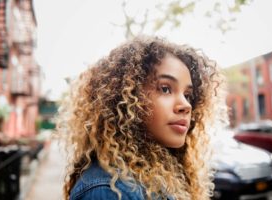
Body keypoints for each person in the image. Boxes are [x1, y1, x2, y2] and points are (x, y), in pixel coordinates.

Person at [56, 36, 228, 200]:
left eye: (188, 95)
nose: (186, 105)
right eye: (165, 88)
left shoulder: (164, 173)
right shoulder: (108, 190)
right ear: (126, 99)